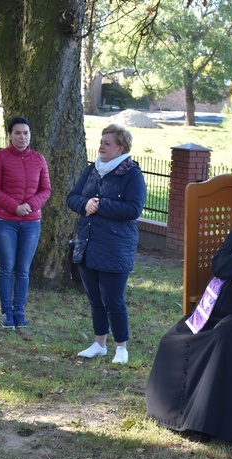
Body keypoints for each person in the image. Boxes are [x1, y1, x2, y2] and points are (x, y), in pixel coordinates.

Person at [145, 203, 232, 442]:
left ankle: (202, 422)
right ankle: (169, 412)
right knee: (173, 339)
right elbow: (220, 264)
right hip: (217, 305)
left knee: (219, 341)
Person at [68, 124, 146, 364]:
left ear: (120, 147)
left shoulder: (131, 174)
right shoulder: (92, 170)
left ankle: (121, 347)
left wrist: (100, 204)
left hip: (115, 247)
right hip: (88, 243)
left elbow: (134, 209)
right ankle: (99, 344)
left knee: (113, 299)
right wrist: (85, 204)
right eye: (101, 142)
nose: (101, 146)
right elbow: (73, 197)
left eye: (107, 143)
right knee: (95, 299)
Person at [0, 116, 51, 329]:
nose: (22, 137)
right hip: (5, 222)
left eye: (26, 133)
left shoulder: (39, 159)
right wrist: (15, 207)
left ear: (30, 135)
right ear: (9, 135)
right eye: (17, 133)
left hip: (31, 223)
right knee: (7, 268)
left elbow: (46, 190)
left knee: (23, 269)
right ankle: (6, 312)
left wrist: (30, 205)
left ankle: (19, 312)